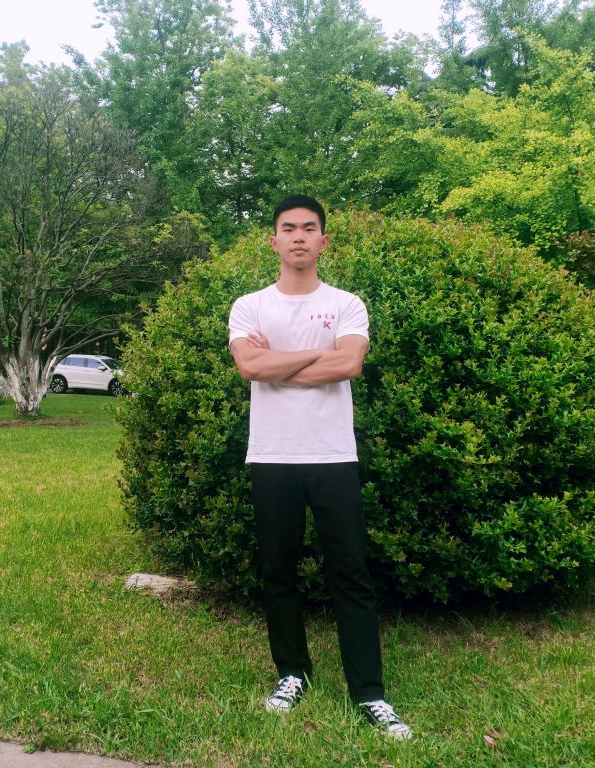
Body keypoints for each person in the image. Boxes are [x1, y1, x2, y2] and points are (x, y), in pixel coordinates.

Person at [227, 195, 412, 740]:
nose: (299, 236)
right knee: (278, 572)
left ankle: (369, 693)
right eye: (289, 228)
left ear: (324, 241)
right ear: (274, 241)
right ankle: (292, 673)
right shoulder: (250, 306)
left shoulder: (347, 304)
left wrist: (277, 362)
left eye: (309, 228)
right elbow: (248, 367)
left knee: (350, 574)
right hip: (272, 456)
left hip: (333, 456)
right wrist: (315, 356)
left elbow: (348, 362)